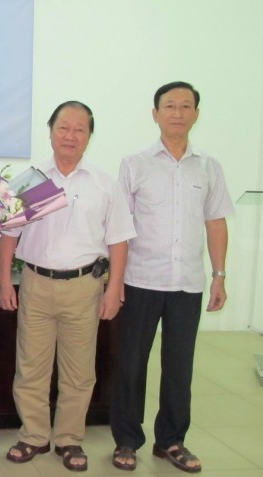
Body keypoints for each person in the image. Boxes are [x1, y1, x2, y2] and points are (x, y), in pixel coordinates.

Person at [0, 101, 136, 472]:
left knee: (79, 372)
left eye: (79, 129)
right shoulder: (30, 180)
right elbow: (9, 234)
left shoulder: (104, 184)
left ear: (89, 136)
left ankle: (69, 439)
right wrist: (5, 282)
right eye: (63, 127)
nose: (70, 136)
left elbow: (118, 240)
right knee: (31, 367)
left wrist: (114, 288)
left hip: (84, 287)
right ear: (50, 131)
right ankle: (33, 435)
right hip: (36, 284)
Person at [109, 82, 233, 473]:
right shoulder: (135, 163)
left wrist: (219, 275)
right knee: (131, 365)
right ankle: (127, 440)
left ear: (196, 114)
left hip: (187, 283)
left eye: (186, 106)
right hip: (140, 279)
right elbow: (118, 226)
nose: (178, 113)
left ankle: (171, 440)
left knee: (179, 367)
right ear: (155, 114)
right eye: (170, 106)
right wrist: (114, 280)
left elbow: (216, 223)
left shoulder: (209, 167)